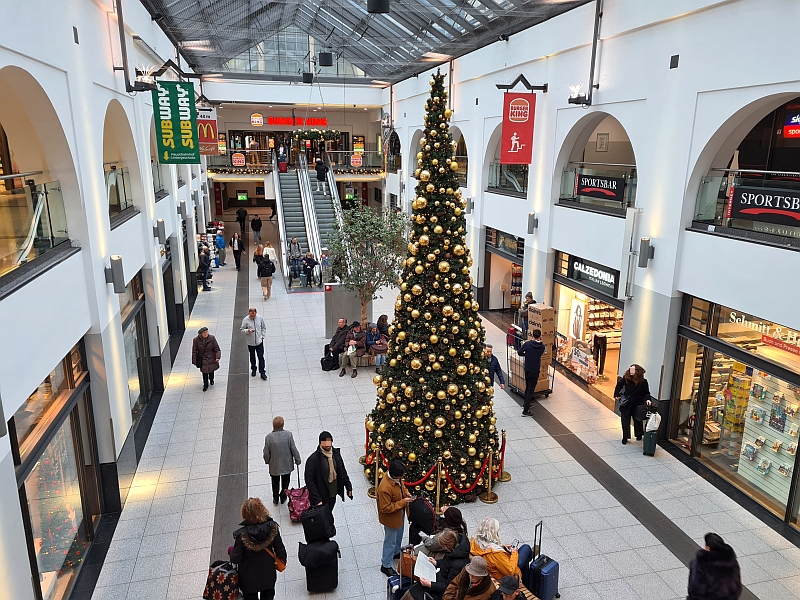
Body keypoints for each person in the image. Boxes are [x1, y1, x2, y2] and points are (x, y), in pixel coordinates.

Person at [230, 497, 287, 600]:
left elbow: (235, 559)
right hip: (268, 575)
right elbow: (280, 550)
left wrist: (231, 551)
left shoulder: (242, 534)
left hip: (248, 579)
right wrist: (281, 561)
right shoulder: (272, 527)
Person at [403, 529, 469, 600]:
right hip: (438, 580)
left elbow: (449, 587)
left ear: (448, 546)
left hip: (440, 591)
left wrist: (430, 584)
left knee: (412, 593)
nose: (442, 548)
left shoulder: (458, 564)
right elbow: (447, 562)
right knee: (412, 590)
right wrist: (436, 563)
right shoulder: (454, 551)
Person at [304, 431, 353, 522]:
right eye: (325, 443)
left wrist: (348, 487)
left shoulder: (336, 454)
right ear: (320, 443)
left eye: (329, 442)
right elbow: (309, 481)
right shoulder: (313, 460)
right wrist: (317, 499)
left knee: (329, 511)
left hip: (332, 493)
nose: (328, 445)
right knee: (323, 517)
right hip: (321, 496)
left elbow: (342, 471)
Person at [377, 460, 413, 577]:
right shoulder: (384, 488)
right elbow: (385, 508)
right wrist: (403, 502)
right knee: (390, 541)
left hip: (399, 513)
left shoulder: (397, 479)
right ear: (394, 475)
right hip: (391, 518)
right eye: (401, 476)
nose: (402, 478)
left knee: (399, 535)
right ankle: (386, 565)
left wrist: (406, 493)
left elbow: (402, 487)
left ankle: (396, 552)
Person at [469, 517, 532, 582]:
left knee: (525, 560)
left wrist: (502, 546)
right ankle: (527, 579)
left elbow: (487, 546)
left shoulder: (474, 540)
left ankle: (526, 573)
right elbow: (510, 571)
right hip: (504, 578)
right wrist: (514, 552)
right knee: (526, 548)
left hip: (492, 570)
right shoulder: (496, 553)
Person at [687, 533, 742, 600]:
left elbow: (695, 590)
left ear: (708, 548)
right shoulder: (732, 561)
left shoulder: (700, 564)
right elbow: (737, 584)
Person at [263, 416, 301, 505]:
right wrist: (297, 459)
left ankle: (275, 498)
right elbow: (293, 448)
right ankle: (283, 496)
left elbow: (266, 453)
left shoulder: (268, 437)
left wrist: (267, 461)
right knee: (285, 481)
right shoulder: (288, 435)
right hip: (286, 464)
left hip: (274, 466)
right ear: (283, 425)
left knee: (275, 482)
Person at [614, 363, 650, 445]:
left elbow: (646, 393)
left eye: (633, 370)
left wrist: (648, 399)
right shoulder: (626, 379)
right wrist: (616, 395)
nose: (631, 371)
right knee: (625, 421)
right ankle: (625, 437)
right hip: (627, 403)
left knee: (638, 420)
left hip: (637, 404)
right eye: (630, 369)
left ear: (638, 372)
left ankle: (639, 434)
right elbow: (619, 386)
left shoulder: (643, 382)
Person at [517, 329, 545, 416]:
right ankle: (525, 410)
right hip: (535, 370)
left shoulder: (527, 344)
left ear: (532, 335)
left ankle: (526, 404)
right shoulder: (542, 347)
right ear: (540, 336)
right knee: (530, 389)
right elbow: (540, 354)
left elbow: (519, 352)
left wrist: (527, 355)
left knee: (528, 386)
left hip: (527, 369)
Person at [241, 307, 268, 380]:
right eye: (251, 315)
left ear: (256, 313)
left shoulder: (260, 318)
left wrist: (262, 337)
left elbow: (263, 328)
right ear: (249, 313)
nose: (253, 316)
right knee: (252, 357)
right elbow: (242, 330)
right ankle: (253, 369)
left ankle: (262, 372)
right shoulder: (245, 320)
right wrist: (247, 331)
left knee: (261, 357)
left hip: (259, 342)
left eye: (254, 315)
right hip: (250, 343)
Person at [191, 327, 220, 391]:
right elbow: (194, 351)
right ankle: (205, 385)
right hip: (202, 358)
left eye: (206, 331)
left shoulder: (212, 338)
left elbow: (217, 348)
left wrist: (217, 357)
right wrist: (194, 361)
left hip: (211, 357)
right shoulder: (196, 340)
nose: (206, 333)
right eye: (204, 332)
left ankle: (211, 379)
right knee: (204, 372)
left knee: (211, 370)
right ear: (200, 334)